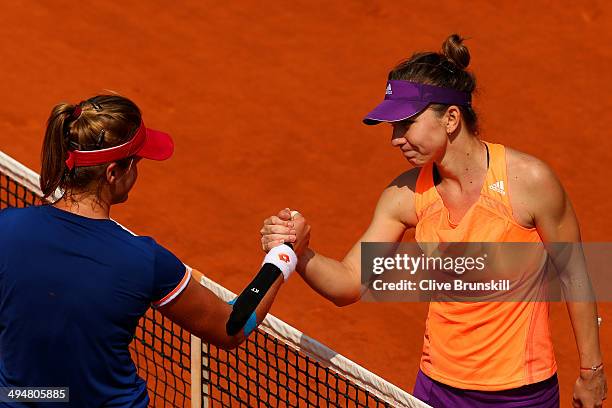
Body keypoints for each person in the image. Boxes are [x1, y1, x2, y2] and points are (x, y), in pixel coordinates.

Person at [260, 34, 607, 407]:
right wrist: (302, 252)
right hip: (436, 391)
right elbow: (348, 283)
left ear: (451, 118)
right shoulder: (405, 196)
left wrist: (592, 372)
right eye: (392, 128)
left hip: (521, 396)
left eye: (405, 124)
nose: (395, 139)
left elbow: (575, 273)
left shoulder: (531, 183)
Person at [0, 95, 306, 407]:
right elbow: (232, 327)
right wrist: (283, 256)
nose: (138, 172)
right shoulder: (142, 260)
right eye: (136, 162)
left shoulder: (6, 228)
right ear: (113, 173)